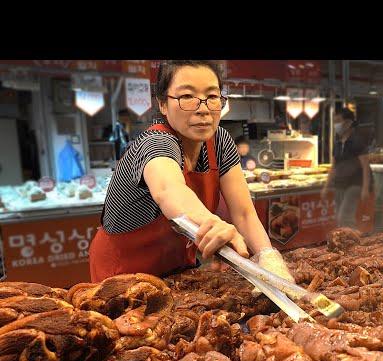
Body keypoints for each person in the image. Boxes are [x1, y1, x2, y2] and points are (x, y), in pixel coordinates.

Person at [89, 60, 294, 286]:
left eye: (212, 96)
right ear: (163, 104)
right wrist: (211, 222)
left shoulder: (220, 142)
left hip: (176, 268)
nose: (203, 108)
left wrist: (267, 255)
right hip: (123, 273)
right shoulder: (154, 143)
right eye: (187, 96)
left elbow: (244, 213)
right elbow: (170, 190)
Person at [322, 107, 371, 228]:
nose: (336, 125)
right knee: (339, 218)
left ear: (348, 123)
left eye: (338, 121)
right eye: (335, 122)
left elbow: (365, 166)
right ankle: (344, 243)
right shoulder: (337, 143)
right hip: (340, 184)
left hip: (355, 184)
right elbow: (333, 167)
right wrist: (326, 186)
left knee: (345, 217)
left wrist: (365, 188)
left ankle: (353, 243)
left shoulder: (358, 141)